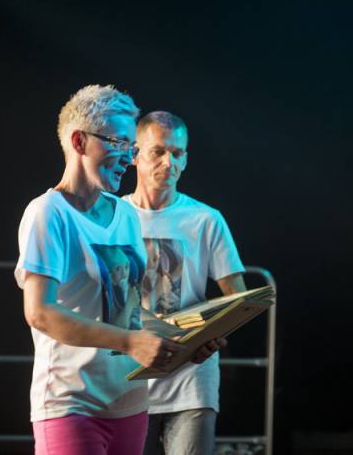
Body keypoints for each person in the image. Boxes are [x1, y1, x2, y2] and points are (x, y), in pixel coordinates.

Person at [16, 85, 220, 455]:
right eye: (118, 143)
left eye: (131, 146)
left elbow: (125, 312)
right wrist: (129, 342)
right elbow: (40, 313)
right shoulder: (48, 212)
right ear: (79, 141)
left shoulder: (125, 215)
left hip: (130, 404)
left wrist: (185, 342)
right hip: (71, 404)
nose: (129, 156)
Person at [124, 111, 247, 455]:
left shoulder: (206, 219)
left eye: (177, 153)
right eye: (158, 151)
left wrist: (212, 336)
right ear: (134, 154)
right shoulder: (116, 216)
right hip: (129, 381)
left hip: (192, 381)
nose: (169, 162)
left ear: (186, 158)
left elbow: (236, 297)